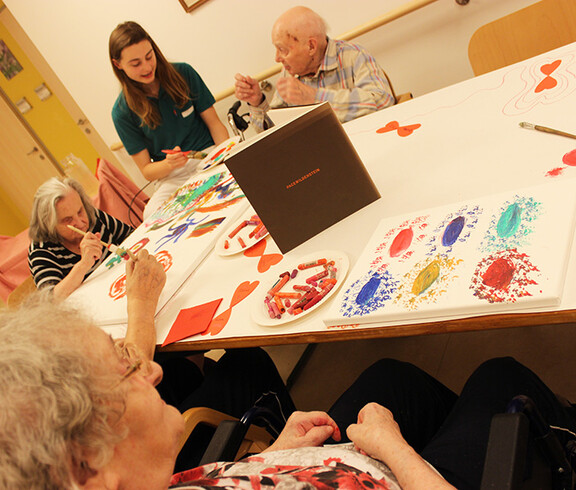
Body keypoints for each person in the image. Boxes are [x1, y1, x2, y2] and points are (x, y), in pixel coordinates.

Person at [2, 279, 575, 490]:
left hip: (307, 466)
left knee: (388, 376)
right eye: (126, 369)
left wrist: (275, 454)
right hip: (389, 469)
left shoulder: (142, 479)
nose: (153, 369)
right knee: (498, 375)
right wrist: (391, 450)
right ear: (91, 468)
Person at [109, 21, 229, 219]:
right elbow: (147, 170)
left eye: (149, 56)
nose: (147, 67)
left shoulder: (183, 73)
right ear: (118, 64)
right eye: (136, 63)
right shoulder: (122, 112)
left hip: (209, 156)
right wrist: (169, 164)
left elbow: (215, 124)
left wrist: (225, 156)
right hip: (172, 176)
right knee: (152, 214)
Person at [234, 6, 396, 132]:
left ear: (311, 46)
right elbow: (274, 132)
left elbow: (384, 102)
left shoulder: (353, 55)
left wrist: (315, 97)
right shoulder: (289, 73)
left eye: (282, 50)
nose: (277, 58)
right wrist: (258, 101)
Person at [27, 177, 133, 300]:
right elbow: (51, 301)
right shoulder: (41, 251)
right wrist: (84, 264)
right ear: (49, 224)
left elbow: (130, 235)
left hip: (124, 286)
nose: (80, 223)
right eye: (68, 220)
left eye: (79, 211)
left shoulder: (91, 215)